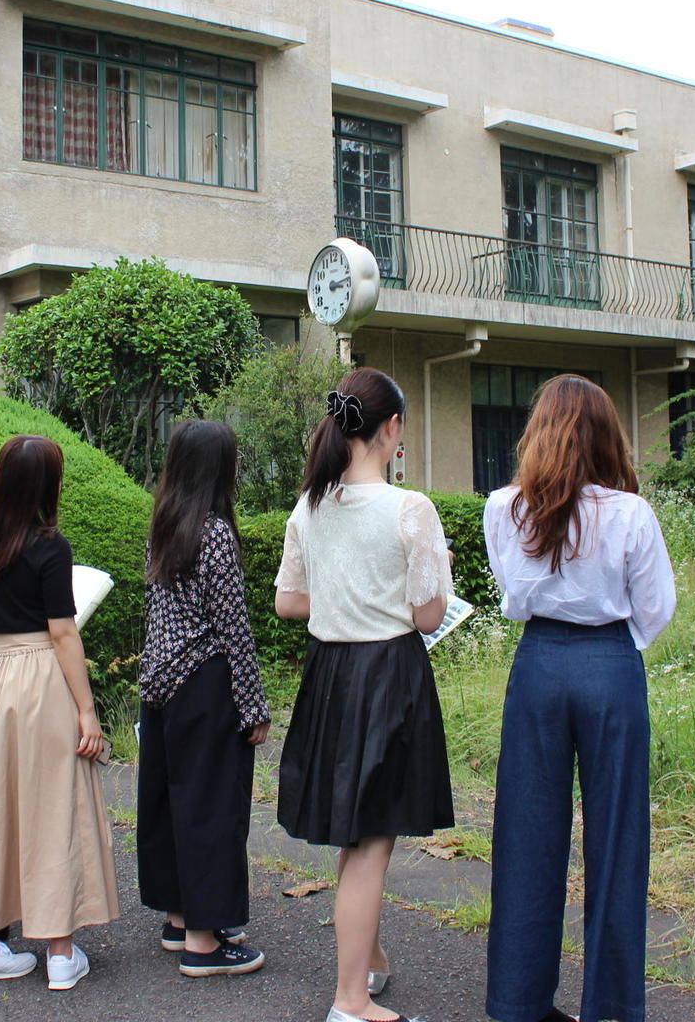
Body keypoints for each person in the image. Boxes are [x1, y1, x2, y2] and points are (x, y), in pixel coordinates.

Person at [482, 374, 676, 1022]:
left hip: (537, 664)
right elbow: (655, 611)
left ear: (539, 432)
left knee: (525, 835)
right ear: (607, 435)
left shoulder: (503, 506)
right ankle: (613, 1006)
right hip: (609, 664)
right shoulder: (630, 512)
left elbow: (511, 593)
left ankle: (518, 1003)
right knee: (618, 837)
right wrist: (612, 647)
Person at [274, 368, 454, 1022]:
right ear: (393, 429)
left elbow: (287, 601)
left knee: (358, 833)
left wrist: (345, 596)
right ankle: (350, 1002)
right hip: (387, 677)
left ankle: (369, 966)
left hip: (330, 676)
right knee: (372, 841)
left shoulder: (310, 504)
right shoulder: (411, 510)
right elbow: (429, 615)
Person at [0, 434, 119, 991]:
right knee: (53, 806)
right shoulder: (49, 545)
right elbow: (63, 632)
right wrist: (87, 711)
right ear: (47, 485)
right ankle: (60, 953)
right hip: (41, 677)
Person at [138, 419, 268, 977]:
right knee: (212, 806)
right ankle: (204, 944)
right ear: (219, 469)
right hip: (207, 683)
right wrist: (255, 705)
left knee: (170, 801)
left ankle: (178, 916)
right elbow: (232, 627)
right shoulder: (215, 533)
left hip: (162, 683)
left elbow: (157, 614)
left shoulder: (165, 524)